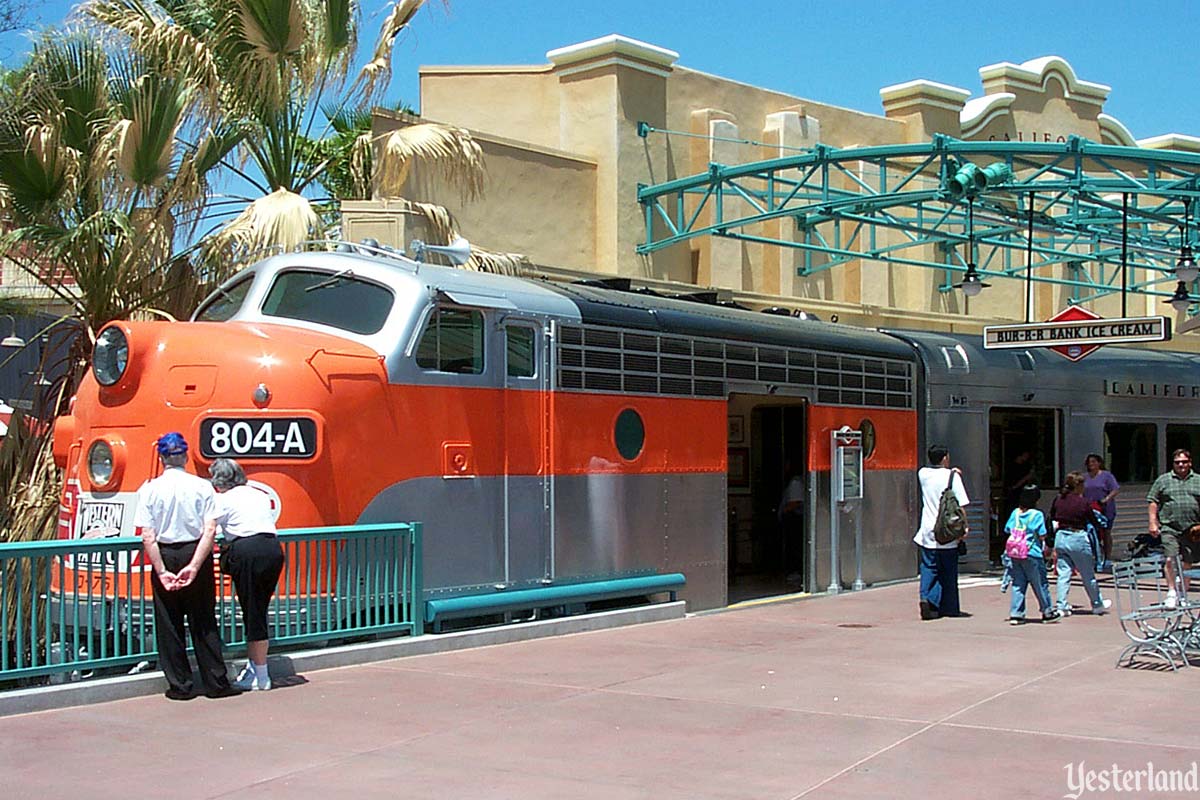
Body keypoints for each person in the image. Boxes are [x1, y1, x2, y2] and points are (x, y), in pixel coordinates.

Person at [135, 432, 239, 700]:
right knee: (204, 619)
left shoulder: (149, 489)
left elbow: (148, 535)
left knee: (169, 624)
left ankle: (180, 686)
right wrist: (194, 565)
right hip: (196, 552)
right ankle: (216, 683)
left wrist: (161, 570)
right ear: (185, 456)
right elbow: (210, 530)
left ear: (161, 458)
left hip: (165, 553)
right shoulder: (203, 487)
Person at [210, 458, 286, 691]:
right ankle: (256, 668)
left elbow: (209, 527)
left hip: (247, 551)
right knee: (259, 609)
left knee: (252, 613)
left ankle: (260, 676)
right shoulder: (258, 494)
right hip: (272, 549)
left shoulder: (222, 499)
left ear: (219, 482)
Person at [913, 444, 970, 620]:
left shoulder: (922, 474)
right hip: (947, 530)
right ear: (945, 457)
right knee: (948, 570)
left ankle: (927, 598)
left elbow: (934, 472)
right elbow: (960, 506)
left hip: (928, 529)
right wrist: (964, 528)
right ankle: (949, 607)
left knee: (929, 567)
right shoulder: (952, 477)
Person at [1049, 471, 1112, 616]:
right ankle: (1097, 604)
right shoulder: (1083, 502)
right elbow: (1093, 520)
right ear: (1079, 486)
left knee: (1063, 574)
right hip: (1078, 537)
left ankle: (1061, 605)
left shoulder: (1059, 500)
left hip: (1061, 537)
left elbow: (1052, 516)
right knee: (1087, 574)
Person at [1147, 448, 1200, 608]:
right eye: (1178, 462)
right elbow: (1153, 500)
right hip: (1170, 527)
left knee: (1188, 562)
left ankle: (1183, 593)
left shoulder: (1198, 480)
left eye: (1184, 462)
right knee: (1170, 558)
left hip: (1192, 528)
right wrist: (1152, 522)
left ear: (1189, 463)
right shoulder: (1163, 480)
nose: (1181, 465)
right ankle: (1171, 592)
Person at [1004, 484, 1060, 625]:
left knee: (1018, 583)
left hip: (1015, 553)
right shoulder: (1037, 514)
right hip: (1032, 553)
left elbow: (1007, 529)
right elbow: (1042, 535)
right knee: (1040, 583)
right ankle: (1047, 611)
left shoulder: (1015, 513)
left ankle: (1016, 614)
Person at [1083, 454, 1120, 569]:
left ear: (1099, 463)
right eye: (1089, 462)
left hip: (1105, 508)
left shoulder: (1106, 476)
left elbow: (1115, 489)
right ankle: (1095, 556)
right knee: (1091, 532)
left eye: (1094, 462)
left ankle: (1108, 557)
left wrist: (1106, 499)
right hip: (1090, 508)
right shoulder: (1085, 477)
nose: (1091, 464)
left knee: (1106, 532)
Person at [777, 463, 805, 584]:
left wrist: (784, 511)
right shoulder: (798, 481)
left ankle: (795, 572)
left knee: (793, 545)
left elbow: (795, 501)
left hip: (794, 518)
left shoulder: (795, 482)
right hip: (795, 518)